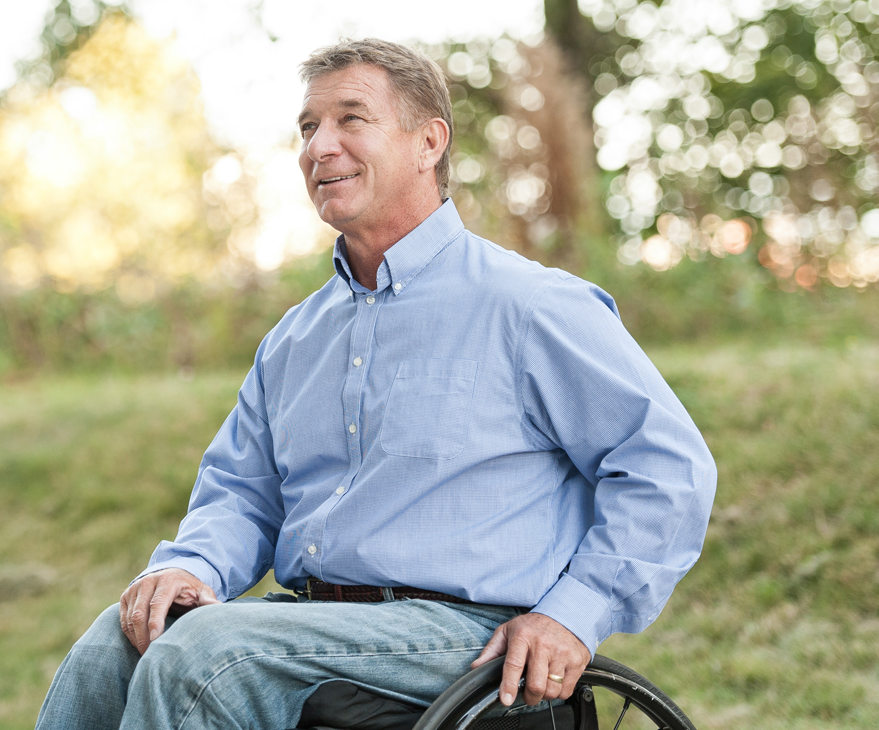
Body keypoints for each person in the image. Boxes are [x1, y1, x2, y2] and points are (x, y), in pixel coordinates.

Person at [35, 38, 716, 730]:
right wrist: (193, 568)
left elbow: (666, 466)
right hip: (315, 620)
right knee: (114, 643)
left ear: (428, 142)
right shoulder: (295, 339)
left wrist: (575, 614)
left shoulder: (532, 308)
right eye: (308, 128)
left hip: (463, 631)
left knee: (207, 655)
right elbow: (242, 492)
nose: (319, 147)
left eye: (350, 120)